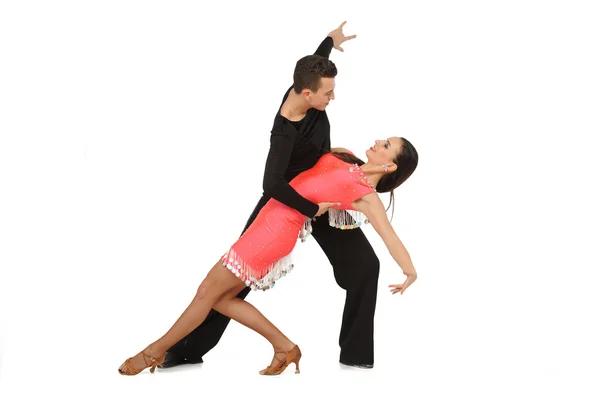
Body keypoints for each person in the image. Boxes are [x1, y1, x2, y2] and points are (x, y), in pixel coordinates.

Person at [160, 21, 381, 370]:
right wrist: (310, 207)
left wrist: (328, 41)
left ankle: (355, 356)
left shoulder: (307, 89)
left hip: (323, 193)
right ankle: (187, 349)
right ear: (306, 94)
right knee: (233, 281)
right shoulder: (284, 132)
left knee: (367, 266)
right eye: (328, 93)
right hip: (288, 202)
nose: (333, 98)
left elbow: (314, 64)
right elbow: (271, 185)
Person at [118, 136, 419, 376]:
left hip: (274, 235)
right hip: (267, 220)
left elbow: (389, 236)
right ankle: (284, 347)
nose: (379, 141)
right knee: (220, 298)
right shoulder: (345, 156)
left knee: (207, 291)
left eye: (387, 146)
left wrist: (410, 271)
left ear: (390, 166)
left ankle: (153, 351)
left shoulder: (365, 195)